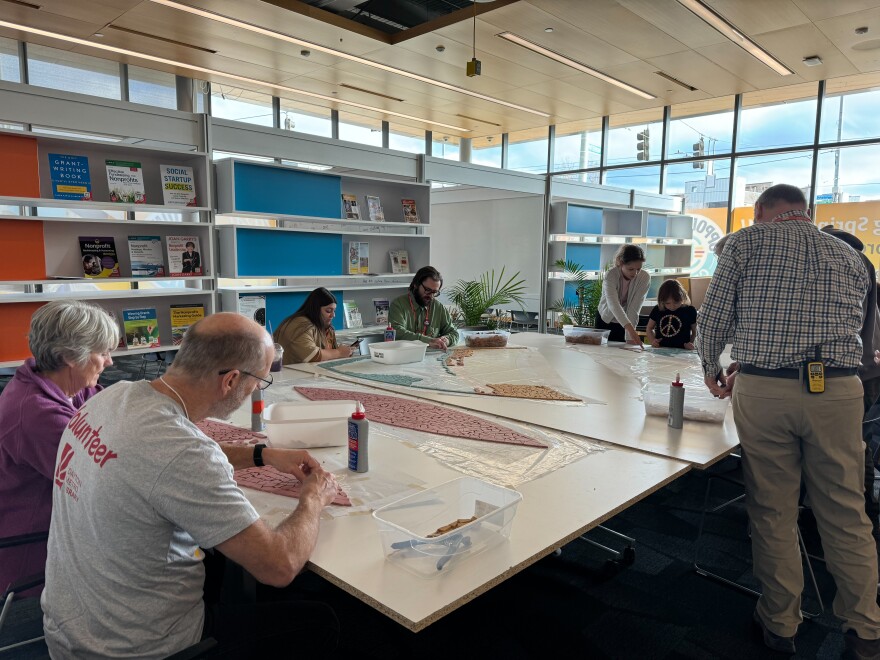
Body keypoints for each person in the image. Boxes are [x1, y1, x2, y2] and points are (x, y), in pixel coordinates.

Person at [42, 313, 341, 658]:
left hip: (69, 629)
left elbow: (162, 463)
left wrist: (263, 455)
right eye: (259, 381)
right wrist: (313, 499)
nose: (256, 389)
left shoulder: (111, 398)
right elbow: (280, 565)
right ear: (230, 380)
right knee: (322, 620)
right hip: (133, 648)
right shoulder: (183, 450)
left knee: (219, 565)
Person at [697, 184, 880, 657]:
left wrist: (712, 369)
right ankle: (865, 626)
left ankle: (781, 624)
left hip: (765, 391)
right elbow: (862, 332)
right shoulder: (853, 259)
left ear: (761, 212)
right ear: (806, 212)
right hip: (839, 391)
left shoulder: (744, 242)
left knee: (773, 508)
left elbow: (714, 320)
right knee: (845, 510)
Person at [0, 300, 118, 597]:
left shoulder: (64, 384)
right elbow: (104, 482)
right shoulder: (36, 414)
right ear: (68, 356)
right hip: (32, 550)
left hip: (60, 529)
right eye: (102, 352)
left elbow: (115, 416)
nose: (109, 362)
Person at [821, 226, 880, 559]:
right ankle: (861, 511)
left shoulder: (849, 264)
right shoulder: (863, 263)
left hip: (857, 371)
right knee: (856, 442)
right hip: (863, 367)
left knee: (854, 444)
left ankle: (863, 514)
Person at [273, 287, 355, 364]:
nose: (333, 315)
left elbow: (329, 355)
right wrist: (339, 352)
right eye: (328, 311)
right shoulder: (300, 324)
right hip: (288, 375)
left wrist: (345, 352)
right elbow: (312, 355)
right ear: (315, 309)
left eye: (334, 311)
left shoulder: (326, 327)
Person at [389, 266, 459, 350]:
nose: (431, 296)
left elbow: (454, 333)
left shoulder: (438, 307)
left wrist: (446, 340)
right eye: (428, 290)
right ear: (416, 285)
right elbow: (397, 332)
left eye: (434, 292)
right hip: (404, 358)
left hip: (432, 359)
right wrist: (428, 341)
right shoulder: (398, 304)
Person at [595, 243, 650, 345]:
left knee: (621, 354)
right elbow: (613, 304)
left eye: (639, 269)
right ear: (620, 263)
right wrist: (631, 330)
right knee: (601, 354)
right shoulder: (611, 275)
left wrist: (630, 337)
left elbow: (634, 309)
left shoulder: (644, 278)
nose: (635, 273)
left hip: (625, 323)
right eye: (631, 269)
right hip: (605, 319)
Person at [645, 279, 696, 349]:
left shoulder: (689, 310)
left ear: (683, 297)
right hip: (661, 348)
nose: (672, 306)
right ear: (662, 301)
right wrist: (653, 341)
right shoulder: (658, 309)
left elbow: (695, 331)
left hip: (683, 349)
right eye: (667, 303)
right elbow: (649, 328)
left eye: (676, 302)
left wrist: (691, 343)